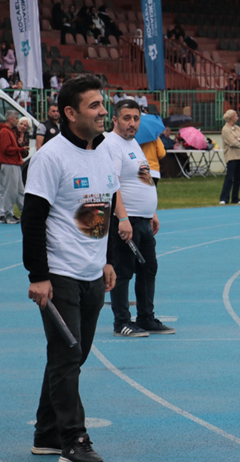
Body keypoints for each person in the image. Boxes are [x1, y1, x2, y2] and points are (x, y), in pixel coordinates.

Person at [21, 74, 118, 462]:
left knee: (73, 357)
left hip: (93, 273)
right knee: (67, 357)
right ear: (69, 112)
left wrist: (107, 259)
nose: (102, 111)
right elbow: (32, 220)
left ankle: (46, 434)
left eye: (102, 104)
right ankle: (74, 441)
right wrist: (38, 276)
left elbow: (105, 211)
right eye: (94, 105)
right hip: (59, 273)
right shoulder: (51, 157)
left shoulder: (107, 151)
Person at [101, 99, 173, 337]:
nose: (132, 123)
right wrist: (122, 218)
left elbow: (143, 177)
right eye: (127, 118)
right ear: (115, 120)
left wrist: (151, 211)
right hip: (126, 219)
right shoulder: (111, 144)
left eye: (136, 118)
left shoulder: (134, 144)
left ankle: (146, 318)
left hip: (142, 219)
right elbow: (112, 184)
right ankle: (121, 321)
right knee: (122, 272)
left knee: (148, 268)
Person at [0, 111, 28, 223]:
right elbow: (6, 149)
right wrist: (20, 149)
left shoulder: (9, 132)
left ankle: (24, 212)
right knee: (10, 190)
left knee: (19, 190)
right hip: (9, 163)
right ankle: (8, 214)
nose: (18, 121)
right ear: (10, 119)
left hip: (14, 163)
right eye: (16, 118)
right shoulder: (5, 132)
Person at [220, 110, 240, 205]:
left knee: (238, 177)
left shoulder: (237, 128)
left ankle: (235, 197)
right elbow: (232, 143)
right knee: (230, 177)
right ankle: (224, 198)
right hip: (231, 156)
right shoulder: (225, 129)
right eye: (236, 115)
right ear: (231, 117)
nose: (237, 117)